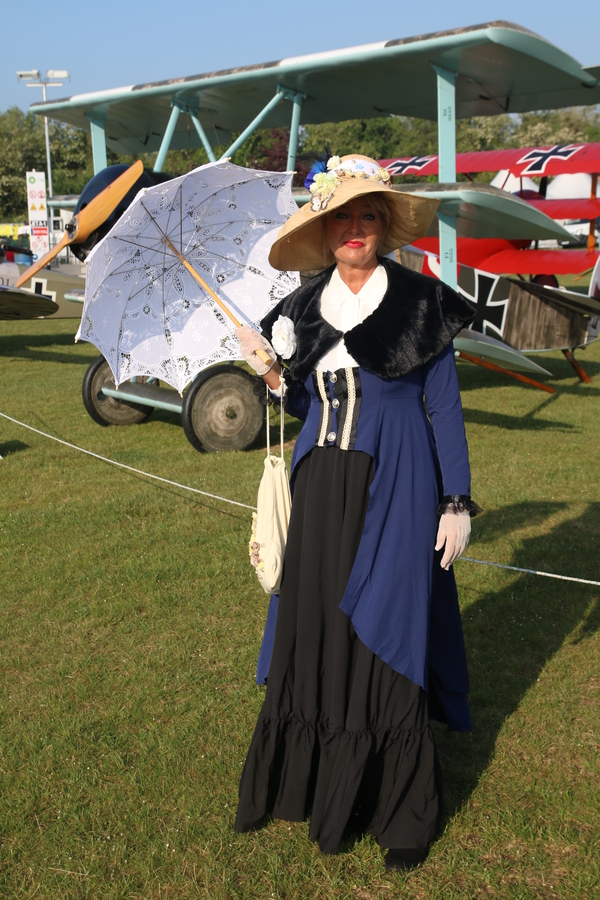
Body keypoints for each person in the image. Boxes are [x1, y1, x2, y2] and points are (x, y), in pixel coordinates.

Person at [234, 155, 480, 871]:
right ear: (325, 229)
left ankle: (400, 811)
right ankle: (303, 783)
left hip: (399, 483)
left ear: (383, 227)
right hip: (320, 487)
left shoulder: (419, 302)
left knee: (388, 628)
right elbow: (311, 407)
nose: (354, 228)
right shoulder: (302, 311)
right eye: (341, 215)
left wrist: (456, 500)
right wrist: (275, 375)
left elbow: (443, 407)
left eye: (367, 215)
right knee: (318, 628)